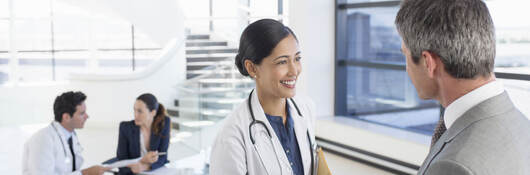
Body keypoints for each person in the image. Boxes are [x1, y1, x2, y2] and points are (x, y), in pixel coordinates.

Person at [395, 0, 530, 174]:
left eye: (405, 55)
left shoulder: (454, 165)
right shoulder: (519, 123)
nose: (407, 68)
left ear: (428, 62)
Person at [209, 19, 317, 175]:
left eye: (297, 59)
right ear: (252, 68)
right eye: (282, 62)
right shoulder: (232, 136)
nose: (294, 71)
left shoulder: (306, 108)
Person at [22, 91, 110, 175]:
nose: (87, 116)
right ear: (66, 117)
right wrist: (85, 173)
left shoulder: (70, 135)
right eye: (82, 113)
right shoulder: (43, 140)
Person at [116, 93, 170, 174]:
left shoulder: (163, 123)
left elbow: (163, 156)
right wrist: (140, 163)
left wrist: (145, 167)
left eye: (140, 111)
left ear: (153, 113)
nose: (135, 115)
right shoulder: (125, 128)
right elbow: (122, 161)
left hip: (153, 171)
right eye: (134, 110)